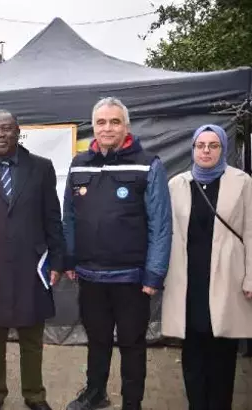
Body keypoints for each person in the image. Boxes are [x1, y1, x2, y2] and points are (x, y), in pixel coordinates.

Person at [63, 97, 172, 410]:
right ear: (93, 126)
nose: (107, 128)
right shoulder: (79, 164)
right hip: (90, 276)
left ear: (126, 126)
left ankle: (132, 402)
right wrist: (70, 257)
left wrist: (154, 273)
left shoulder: (148, 164)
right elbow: (69, 216)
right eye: (101, 122)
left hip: (131, 279)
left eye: (114, 122)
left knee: (132, 344)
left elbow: (161, 224)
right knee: (97, 340)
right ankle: (96, 393)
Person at [0, 110, 65, 410]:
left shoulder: (41, 168)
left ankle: (35, 395)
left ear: (18, 132)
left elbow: (52, 218)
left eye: (5, 129)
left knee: (31, 338)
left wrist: (57, 260)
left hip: (31, 268)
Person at [161, 124, 252, 410]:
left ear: (223, 149)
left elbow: (251, 231)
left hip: (227, 279)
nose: (206, 151)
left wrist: (250, 277)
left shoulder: (242, 182)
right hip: (188, 280)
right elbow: (166, 232)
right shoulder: (177, 185)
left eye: (213, 145)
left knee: (222, 351)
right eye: (200, 145)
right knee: (193, 352)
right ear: (193, 149)